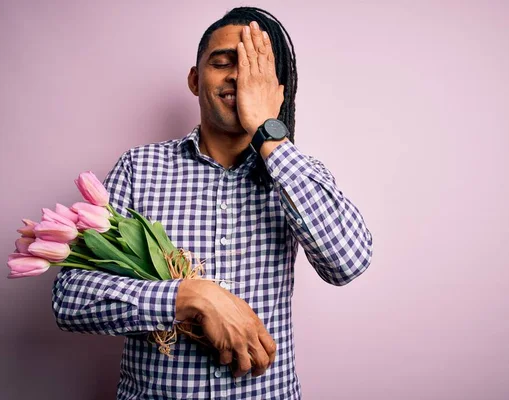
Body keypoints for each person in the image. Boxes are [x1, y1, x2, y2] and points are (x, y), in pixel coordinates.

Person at [52, 6, 373, 399]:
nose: (238, 76)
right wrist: (188, 297)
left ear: (276, 91)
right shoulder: (139, 167)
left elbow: (348, 262)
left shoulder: (298, 173)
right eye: (223, 63)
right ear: (194, 78)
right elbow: (69, 298)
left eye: (256, 71)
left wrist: (268, 131)